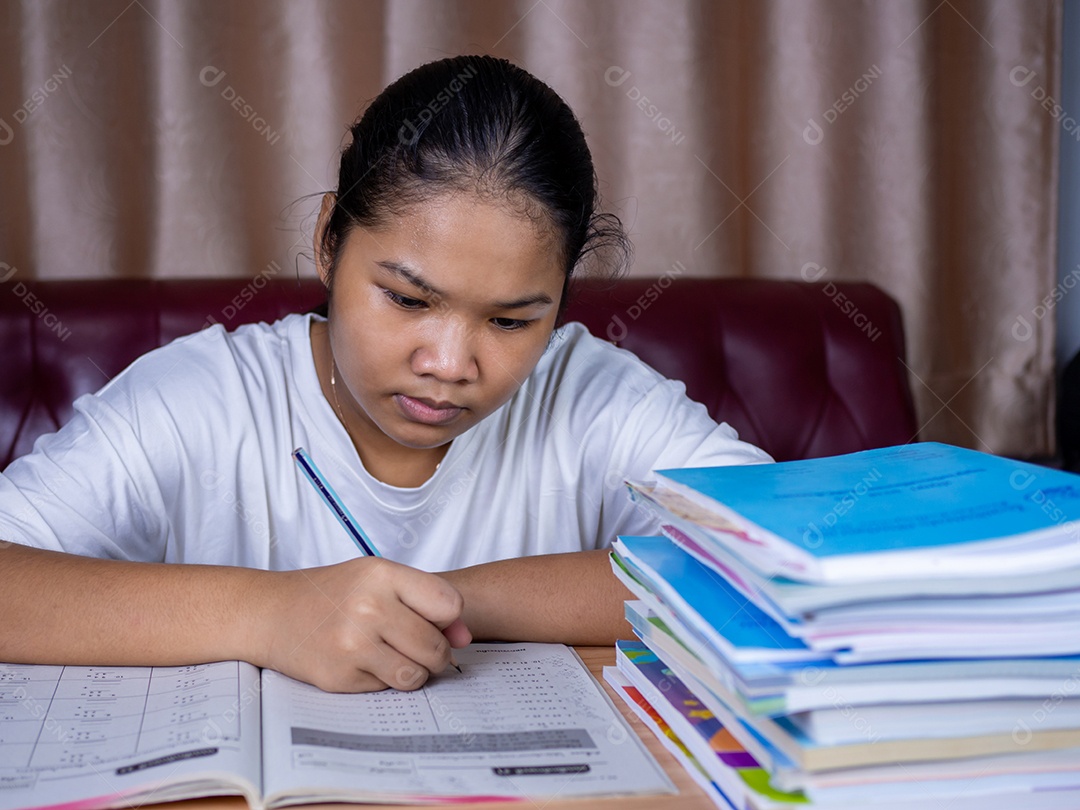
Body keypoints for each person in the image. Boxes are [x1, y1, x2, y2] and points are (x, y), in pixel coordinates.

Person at [0, 55, 770, 693]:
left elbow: (777, 563)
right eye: (407, 298)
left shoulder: (593, 393)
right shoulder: (201, 400)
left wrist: (451, 600)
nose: (449, 364)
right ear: (329, 242)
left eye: (510, 321)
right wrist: (269, 615)